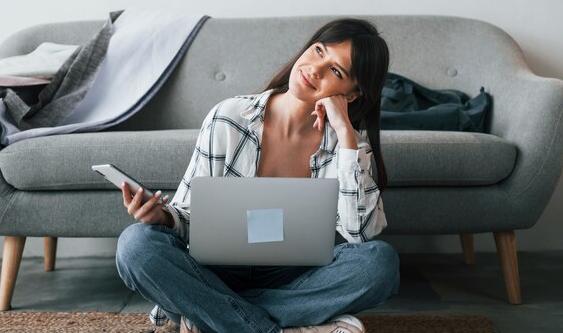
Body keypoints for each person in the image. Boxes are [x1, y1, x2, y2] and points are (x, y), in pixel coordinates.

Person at [115, 18, 400, 333]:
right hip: (218, 269)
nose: (315, 68)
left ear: (351, 94)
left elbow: (360, 235)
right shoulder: (230, 117)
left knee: (380, 263)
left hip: (292, 275)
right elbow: (189, 217)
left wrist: (345, 132)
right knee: (135, 245)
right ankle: (275, 325)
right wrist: (163, 218)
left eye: (336, 71)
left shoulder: (349, 146)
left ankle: (211, 317)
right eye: (319, 51)